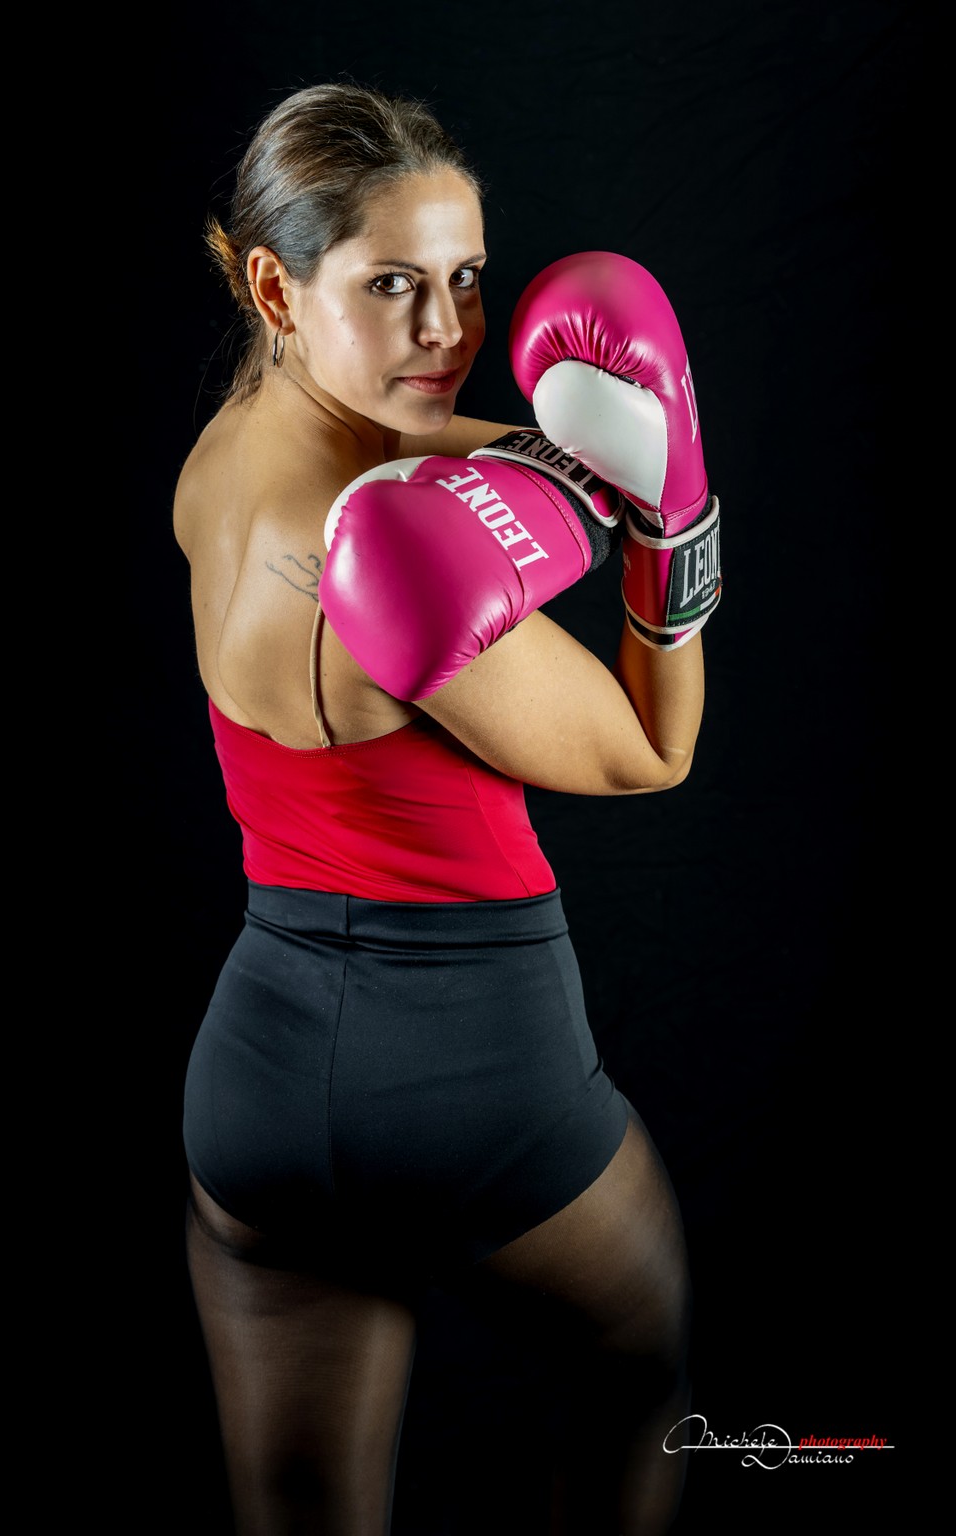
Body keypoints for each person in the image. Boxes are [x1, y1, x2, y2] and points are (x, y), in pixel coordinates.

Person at [174, 80, 721, 1536]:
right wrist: (672, 525)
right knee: (639, 1376)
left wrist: (563, 462)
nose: (447, 330)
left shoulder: (223, 459)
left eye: (467, 277)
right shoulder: (377, 582)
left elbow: (403, 463)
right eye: (393, 285)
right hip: (477, 1059)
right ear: (279, 289)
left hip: (260, 1074)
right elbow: (651, 750)